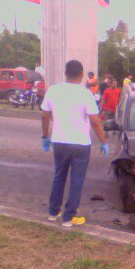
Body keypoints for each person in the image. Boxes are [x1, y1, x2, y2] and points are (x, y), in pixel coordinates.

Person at [40, 60, 109, 228]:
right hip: (80, 144)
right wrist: (103, 142)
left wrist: (45, 137)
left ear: (65, 73)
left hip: (59, 141)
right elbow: (94, 121)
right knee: (76, 180)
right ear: (81, 74)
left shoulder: (53, 90)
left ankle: (53, 212)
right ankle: (69, 217)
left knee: (59, 176)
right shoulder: (85, 93)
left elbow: (45, 116)